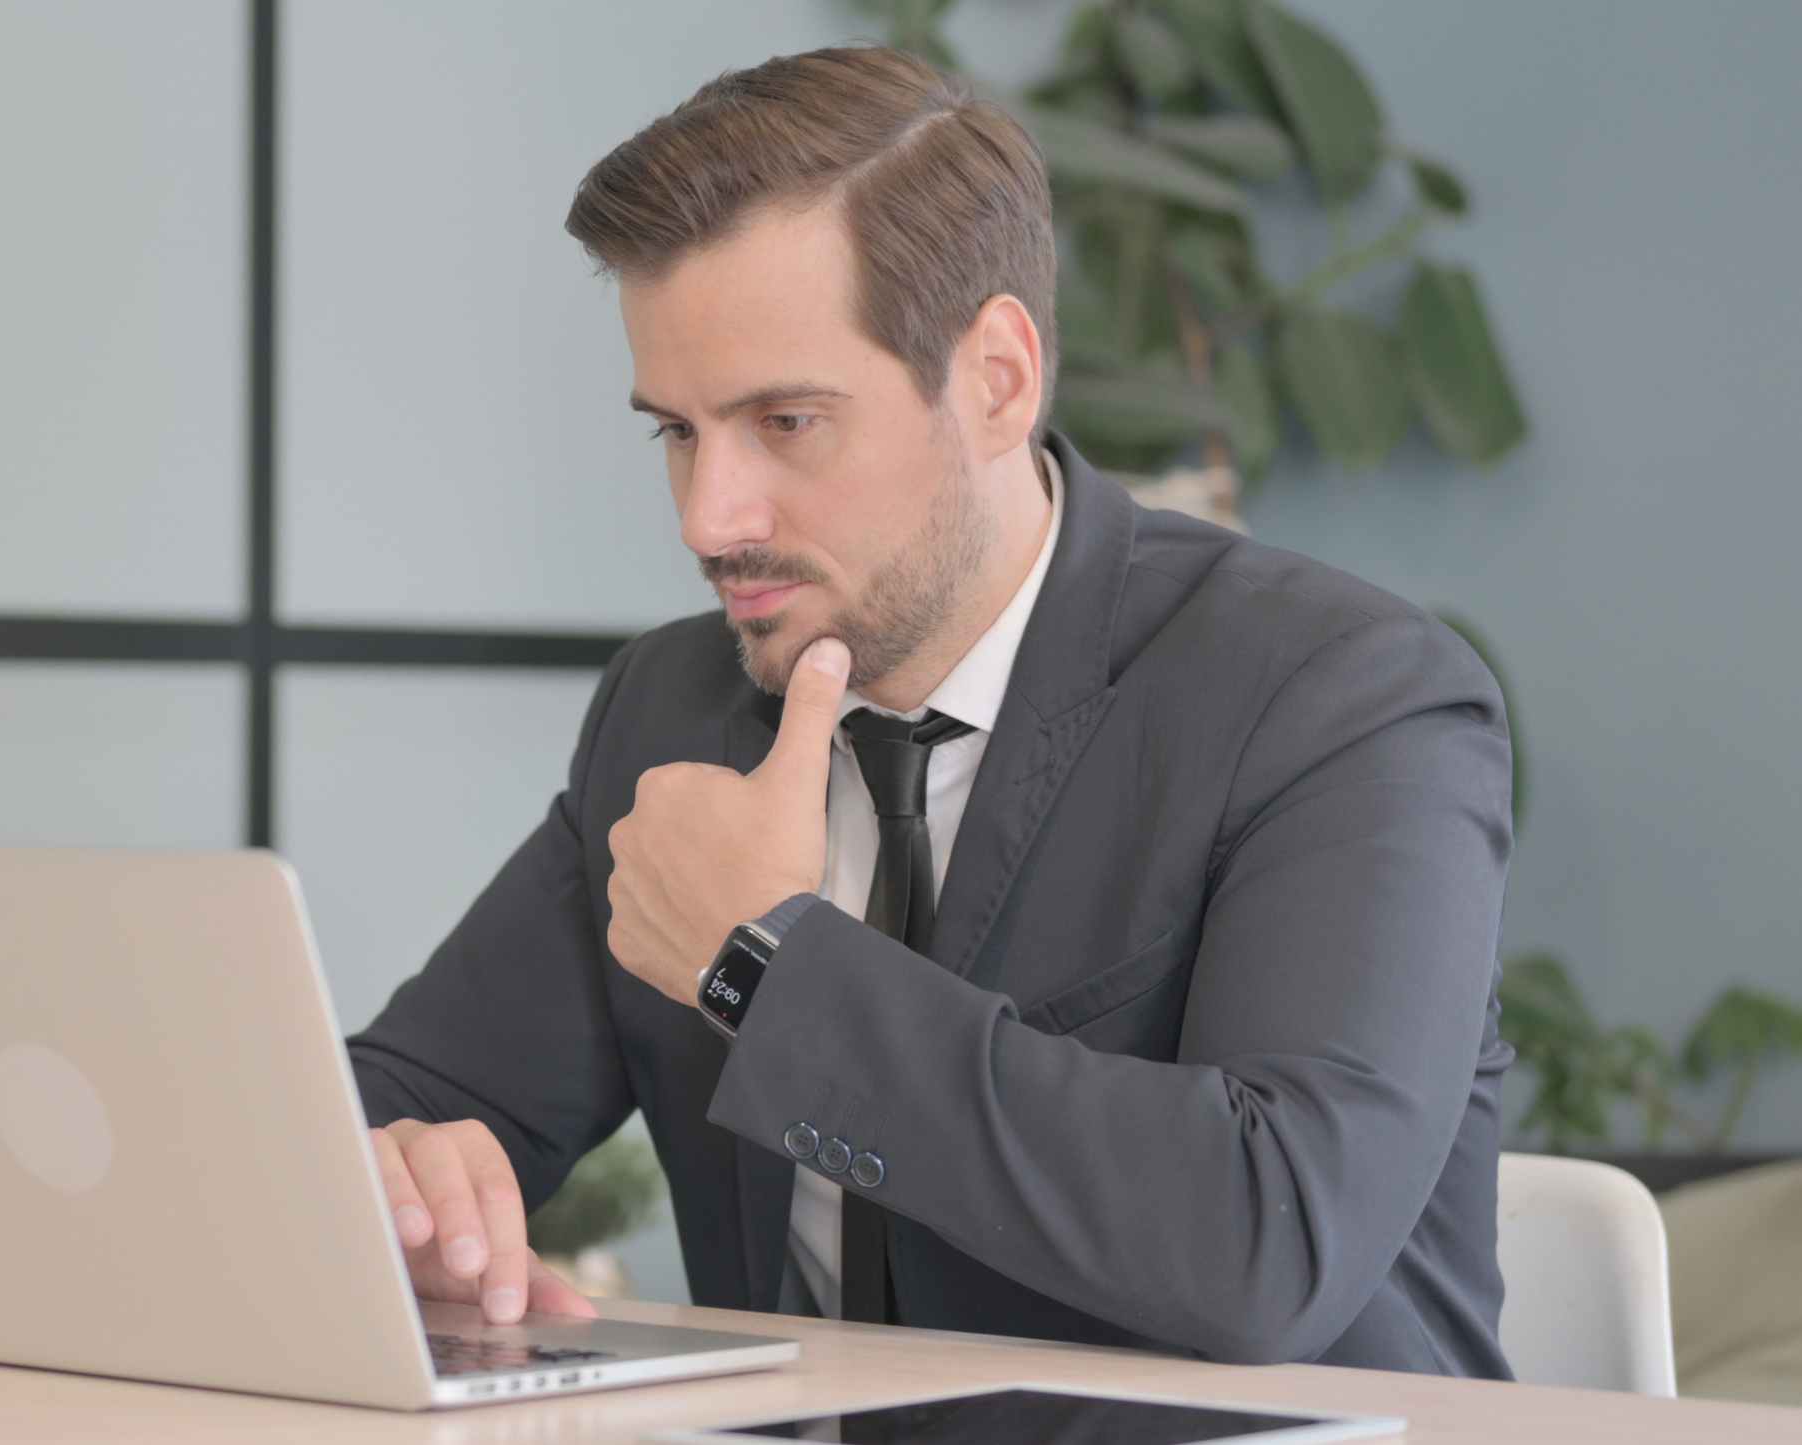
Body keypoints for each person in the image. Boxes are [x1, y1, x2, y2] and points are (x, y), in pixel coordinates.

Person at [349, 45, 1514, 1377]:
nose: (704, 518)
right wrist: (391, 1181)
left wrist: (761, 962)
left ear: (997, 378)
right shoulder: (669, 708)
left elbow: (1266, 1241)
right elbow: (410, 1103)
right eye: (673, 431)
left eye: (784, 422)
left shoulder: (1342, 698)